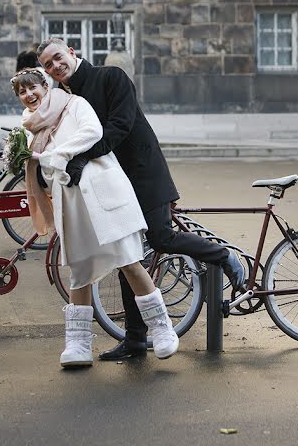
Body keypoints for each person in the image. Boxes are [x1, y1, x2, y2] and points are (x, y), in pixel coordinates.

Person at [36, 37, 246, 361]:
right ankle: (135, 341)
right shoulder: (66, 98)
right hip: (108, 181)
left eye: (57, 57)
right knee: (127, 256)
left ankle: (221, 255)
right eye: (48, 65)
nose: (55, 66)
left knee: (159, 236)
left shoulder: (111, 77)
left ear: (72, 53)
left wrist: (80, 156)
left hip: (141, 172)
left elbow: (119, 126)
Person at [10, 68, 179, 368]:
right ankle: (77, 344)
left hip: (102, 192)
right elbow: (44, 172)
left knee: (128, 260)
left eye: (32, 88)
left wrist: (56, 156)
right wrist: (30, 165)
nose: (28, 95)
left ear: (45, 86)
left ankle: (162, 328)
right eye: (22, 92)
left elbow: (92, 132)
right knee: (79, 269)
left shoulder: (73, 104)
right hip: (71, 201)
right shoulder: (28, 128)